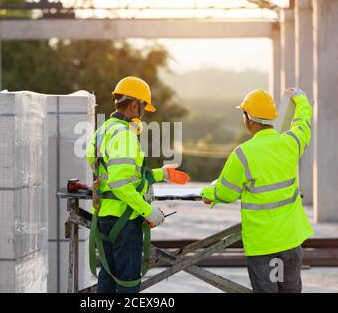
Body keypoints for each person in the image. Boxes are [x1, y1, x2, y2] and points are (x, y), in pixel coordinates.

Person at [201, 88, 314, 293]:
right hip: (290, 239)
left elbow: (226, 192)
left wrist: (208, 193)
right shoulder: (290, 143)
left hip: (263, 244)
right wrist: (301, 99)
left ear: (249, 119)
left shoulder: (243, 154)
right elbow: (303, 123)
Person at [86, 76, 190, 293]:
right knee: (127, 282)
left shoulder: (104, 130)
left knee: (108, 275)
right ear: (134, 104)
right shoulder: (125, 135)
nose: (142, 113)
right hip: (124, 220)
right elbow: (120, 183)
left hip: (105, 215)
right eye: (142, 106)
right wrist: (147, 210)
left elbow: (111, 172)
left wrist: (162, 174)